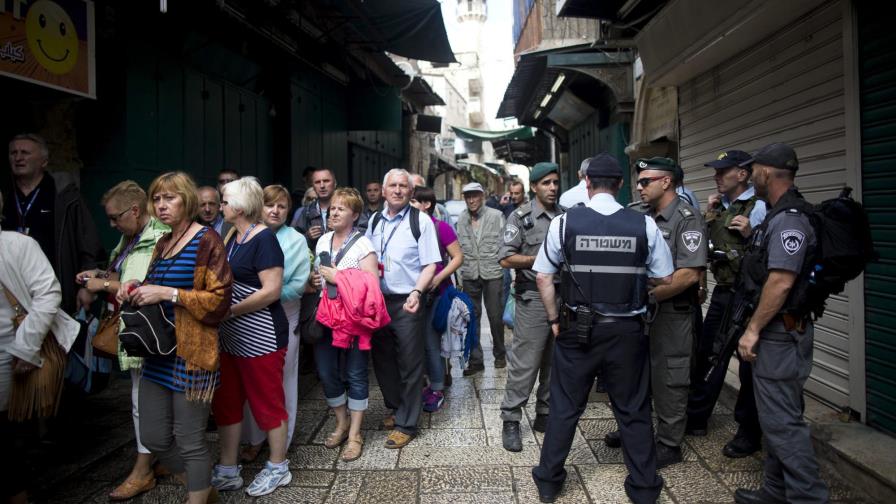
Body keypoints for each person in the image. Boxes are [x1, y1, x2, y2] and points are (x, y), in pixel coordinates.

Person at [530, 153, 674, 504]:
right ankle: (643, 488)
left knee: (564, 406)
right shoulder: (644, 224)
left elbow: (543, 276)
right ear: (622, 185)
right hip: (627, 333)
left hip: (577, 331)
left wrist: (553, 320)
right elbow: (665, 276)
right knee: (633, 408)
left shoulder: (563, 223)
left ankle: (549, 481)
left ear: (588, 183)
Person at [118, 171, 232, 504]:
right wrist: (135, 289)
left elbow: (220, 302)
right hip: (159, 352)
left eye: (170, 198)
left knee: (190, 440)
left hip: (192, 354)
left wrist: (168, 293)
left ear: (188, 200)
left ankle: (197, 495)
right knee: (153, 437)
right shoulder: (163, 242)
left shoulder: (207, 239)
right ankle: (205, 489)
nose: (161, 205)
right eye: (156, 199)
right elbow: (155, 288)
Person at [734, 143, 829, 504]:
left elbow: (781, 281)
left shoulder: (789, 219)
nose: (750, 175)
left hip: (779, 334)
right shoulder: (777, 213)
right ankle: (776, 492)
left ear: (769, 173)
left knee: (782, 423)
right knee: (776, 416)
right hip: (782, 333)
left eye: (753, 169)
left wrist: (753, 329)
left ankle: (809, 497)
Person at [605, 157, 707, 469]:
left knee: (669, 377)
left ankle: (669, 443)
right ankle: (636, 430)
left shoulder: (686, 220)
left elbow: (689, 274)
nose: (639, 186)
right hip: (636, 312)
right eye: (638, 181)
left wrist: (645, 294)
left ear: (667, 182)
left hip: (671, 313)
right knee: (634, 374)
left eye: (646, 181)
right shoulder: (636, 214)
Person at [76, 181, 170, 501]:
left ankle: (143, 471)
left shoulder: (157, 237)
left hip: (148, 333)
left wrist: (99, 284)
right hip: (135, 330)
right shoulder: (131, 236)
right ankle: (161, 457)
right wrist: (100, 273)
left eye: (115, 217)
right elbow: (121, 274)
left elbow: (139, 288)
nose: (112, 224)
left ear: (134, 211)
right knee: (147, 399)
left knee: (141, 402)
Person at [211, 177, 292, 497]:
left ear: (240, 207)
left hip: (261, 337)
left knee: (267, 402)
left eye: (224, 201)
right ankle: (228, 468)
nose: (220, 207)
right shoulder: (232, 236)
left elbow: (272, 292)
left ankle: (277, 467)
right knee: (227, 401)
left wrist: (230, 311)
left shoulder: (264, 240)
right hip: (231, 338)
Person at [686, 150, 767, 459]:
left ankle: (748, 432)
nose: (716, 176)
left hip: (747, 296)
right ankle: (696, 417)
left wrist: (750, 234)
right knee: (709, 354)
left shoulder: (758, 209)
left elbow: (766, 254)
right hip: (723, 291)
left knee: (747, 364)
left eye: (723, 171)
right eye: (716, 171)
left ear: (743, 175)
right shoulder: (719, 207)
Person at [0, 191, 79, 504]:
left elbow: (47, 294)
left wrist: (25, 348)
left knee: (3, 437)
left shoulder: (18, 245)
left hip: (7, 350)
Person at [365, 168, 441, 449]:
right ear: (383, 191)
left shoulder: (421, 221)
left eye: (402, 186)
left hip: (407, 300)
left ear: (410, 191)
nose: (397, 190)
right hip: (378, 301)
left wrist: (417, 291)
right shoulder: (374, 220)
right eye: (392, 186)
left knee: (410, 363)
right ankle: (397, 407)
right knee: (383, 360)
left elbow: (430, 264)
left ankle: (407, 423)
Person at [239, 185, 310, 462]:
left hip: (283, 312)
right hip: (246, 316)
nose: (275, 210)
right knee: (251, 381)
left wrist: (265, 294)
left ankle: (283, 439)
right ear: (259, 207)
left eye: (281, 206)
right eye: (270, 205)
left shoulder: (296, 240)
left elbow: (298, 284)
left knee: (284, 379)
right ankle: (254, 438)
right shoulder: (246, 233)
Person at [310, 187, 380, 462]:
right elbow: (317, 276)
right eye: (333, 208)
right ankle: (341, 422)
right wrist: (314, 281)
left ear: (355, 215)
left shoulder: (363, 244)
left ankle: (355, 434)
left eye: (341, 208)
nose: (334, 212)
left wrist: (339, 277)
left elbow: (373, 285)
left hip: (353, 320)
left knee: (355, 374)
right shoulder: (322, 241)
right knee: (327, 372)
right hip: (327, 316)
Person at [499, 162, 564, 451]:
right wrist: (542, 260)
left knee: (555, 360)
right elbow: (505, 258)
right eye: (546, 183)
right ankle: (511, 418)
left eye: (555, 182)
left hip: (564, 296)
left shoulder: (566, 216)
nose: (552, 188)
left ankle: (545, 414)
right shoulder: (520, 217)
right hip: (533, 299)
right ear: (534, 187)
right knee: (526, 362)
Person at [2, 133, 104, 315]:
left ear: (44, 161)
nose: (18, 158)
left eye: (25, 153)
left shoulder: (64, 195)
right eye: (13, 153)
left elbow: (89, 244)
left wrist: (87, 287)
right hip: (9, 290)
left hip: (52, 289)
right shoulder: (5, 193)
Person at [410, 186, 463, 409]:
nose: (408, 204)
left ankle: (437, 387)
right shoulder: (408, 227)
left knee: (431, 341)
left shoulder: (441, 228)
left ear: (426, 204)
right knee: (416, 342)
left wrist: (438, 278)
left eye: (413, 201)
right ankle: (426, 381)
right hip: (412, 294)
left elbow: (458, 257)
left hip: (436, 295)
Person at [455, 182, 507, 375]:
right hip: (469, 273)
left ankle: (500, 354)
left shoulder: (496, 215)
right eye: (467, 196)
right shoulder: (461, 219)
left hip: (492, 271)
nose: (471, 200)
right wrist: (459, 277)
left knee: (495, 316)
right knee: (471, 318)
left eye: (474, 195)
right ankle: (476, 360)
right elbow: (458, 247)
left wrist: (505, 269)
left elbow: (504, 244)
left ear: (482, 195)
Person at [294, 167, 336, 248]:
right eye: (317, 182)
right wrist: (307, 236)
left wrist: (342, 230)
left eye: (326, 181)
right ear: (313, 186)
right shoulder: (306, 211)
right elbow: (295, 242)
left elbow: (363, 234)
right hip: (315, 259)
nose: (322, 185)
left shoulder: (346, 208)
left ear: (335, 183)